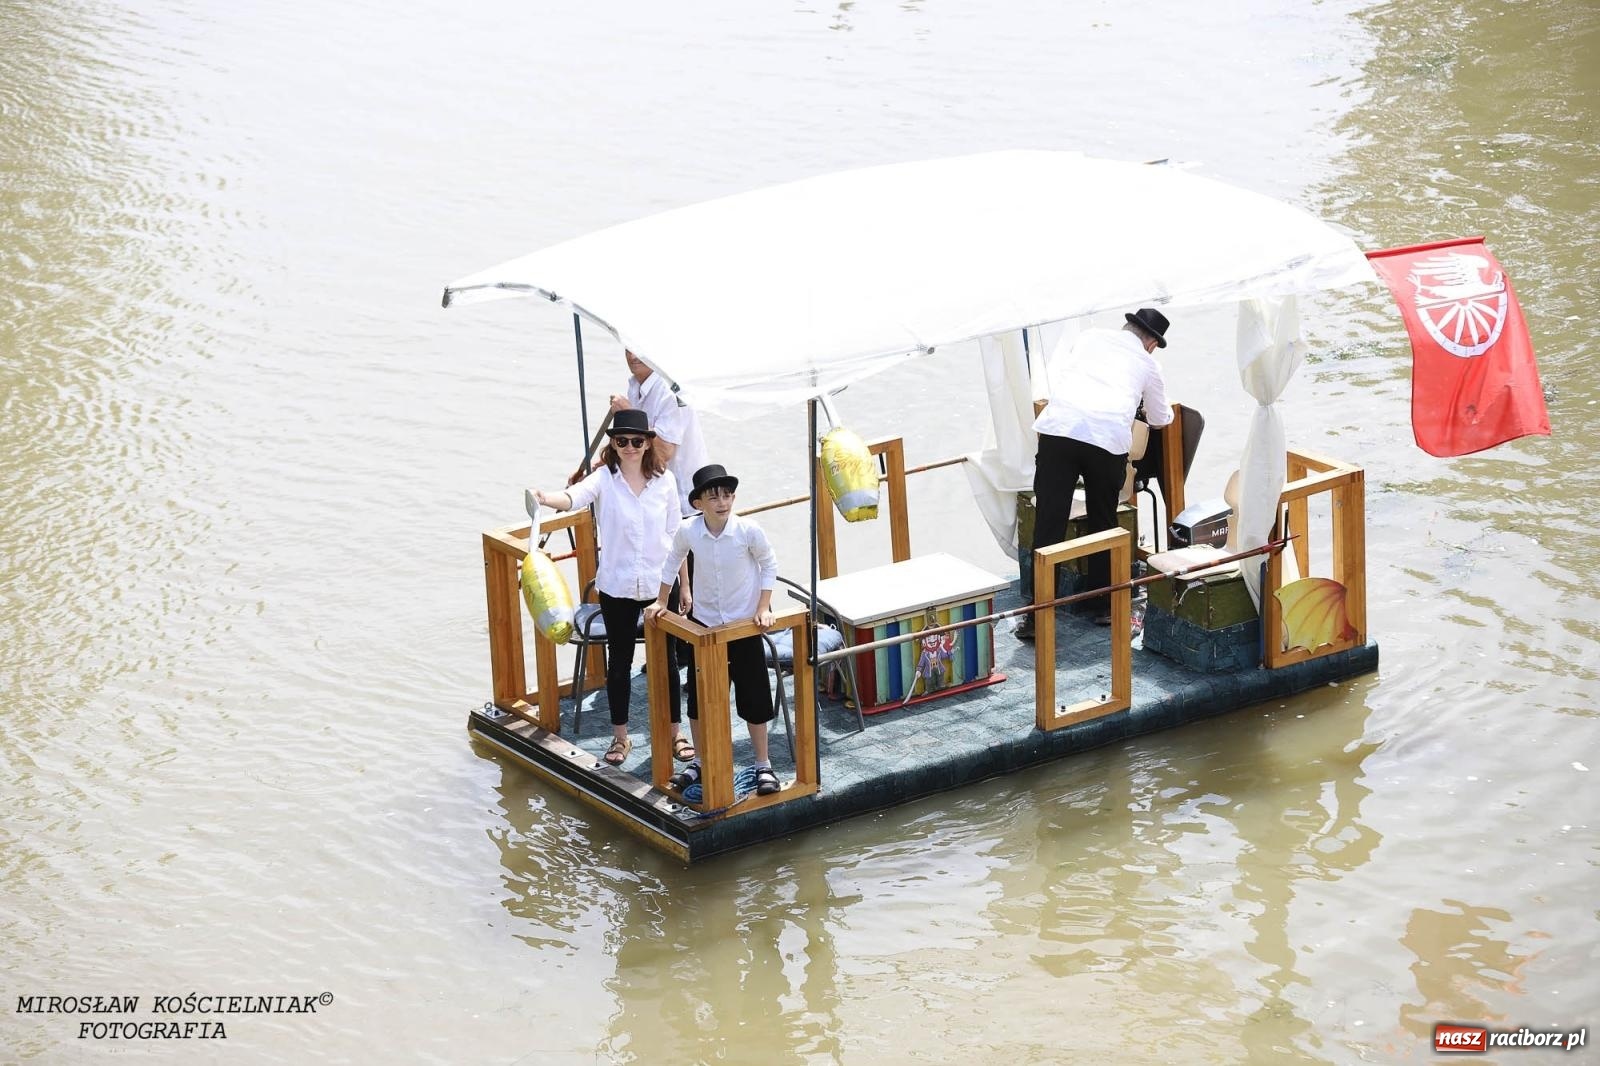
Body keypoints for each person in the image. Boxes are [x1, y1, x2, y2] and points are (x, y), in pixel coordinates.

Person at [531, 407, 694, 767]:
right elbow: (573, 497)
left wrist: (684, 587)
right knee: (618, 663)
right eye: (623, 441)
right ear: (614, 445)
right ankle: (621, 738)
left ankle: (674, 733)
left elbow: (676, 537)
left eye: (637, 441)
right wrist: (544, 498)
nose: (631, 447)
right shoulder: (604, 478)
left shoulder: (665, 482)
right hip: (617, 585)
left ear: (648, 443)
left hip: (659, 584)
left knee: (665, 662)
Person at [1017, 308, 1173, 640]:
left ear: (1126, 326)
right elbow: (1160, 419)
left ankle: (1037, 616)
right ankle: (1103, 605)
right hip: (1105, 441)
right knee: (1103, 521)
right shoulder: (1148, 364)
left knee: (1049, 522)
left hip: (1059, 431)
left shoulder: (1089, 337)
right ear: (1151, 343)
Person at [644, 463, 782, 798]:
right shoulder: (689, 531)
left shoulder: (749, 530)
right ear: (698, 503)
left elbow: (769, 564)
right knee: (699, 701)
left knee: (754, 698)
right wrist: (662, 600)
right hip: (704, 629)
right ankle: (701, 762)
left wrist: (763, 608)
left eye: (727, 494)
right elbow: (671, 560)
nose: (722, 501)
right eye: (713, 496)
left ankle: (763, 763)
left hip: (742, 626)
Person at [610, 349, 709, 519]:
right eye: (628, 350)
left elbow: (664, 452)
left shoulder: (671, 390)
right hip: (657, 498)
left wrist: (629, 412)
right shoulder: (635, 385)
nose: (633, 357)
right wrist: (596, 466)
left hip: (688, 502)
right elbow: (630, 443)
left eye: (640, 351)